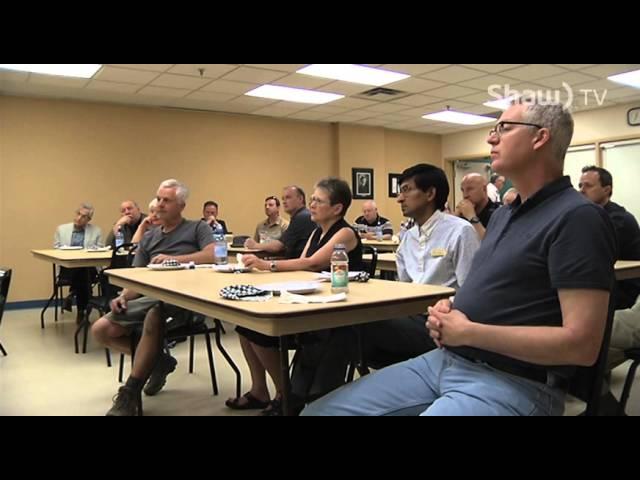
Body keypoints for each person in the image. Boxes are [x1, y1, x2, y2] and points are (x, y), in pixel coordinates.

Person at [303, 101, 616, 416]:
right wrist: (452, 308)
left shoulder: (577, 217)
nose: (491, 139)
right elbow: (496, 288)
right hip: (446, 360)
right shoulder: (507, 215)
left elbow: (582, 345)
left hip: (514, 380)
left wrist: (469, 331)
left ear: (540, 138)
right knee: (316, 413)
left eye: (504, 129)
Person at [226, 177, 363, 416]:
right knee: (245, 327)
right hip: (311, 300)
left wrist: (266, 266)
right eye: (311, 200)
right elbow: (305, 266)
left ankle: (286, 395)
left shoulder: (345, 233)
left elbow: (311, 263)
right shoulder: (317, 232)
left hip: (335, 313)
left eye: (318, 201)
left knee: (258, 330)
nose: (311, 205)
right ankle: (262, 391)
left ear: (337, 208)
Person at [91, 179, 215, 416]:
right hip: (150, 297)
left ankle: (130, 392)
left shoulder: (198, 228)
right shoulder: (149, 237)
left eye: (166, 200)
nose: (159, 204)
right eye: (158, 199)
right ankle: (159, 362)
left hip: (186, 299)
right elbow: (138, 276)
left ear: (181, 205)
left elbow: (212, 255)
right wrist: (125, 296)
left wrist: (174, 260)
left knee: (154, 316)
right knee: (100, 330)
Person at [360, 164, 480, 369]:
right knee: (349, 329)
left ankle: (309, 394)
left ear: (430, 193)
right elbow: (406, 287)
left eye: (406, 190)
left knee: (359, 328)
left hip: (441, 321)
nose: (399, 199)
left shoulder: (460, 231)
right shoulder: (408, 237)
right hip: (412, 316)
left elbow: (471, 291)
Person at [579, 165, 640, 310]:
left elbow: (591, 251)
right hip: (602, 284)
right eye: (580, 185)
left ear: (607, 190)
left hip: (624, 290)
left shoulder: (618, 219)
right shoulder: (589, 215)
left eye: (588, 186)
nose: (581, 190)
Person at [54, 203, 103, 323]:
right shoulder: (62, 229)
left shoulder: (96, 231)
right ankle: (82, 310)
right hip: (67, 268)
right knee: (83, 276)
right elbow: (56, 249)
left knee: (83, 272)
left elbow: (100, 250)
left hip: (89, 268)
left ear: (89, 220)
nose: (79, 218)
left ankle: (73, 294)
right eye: (78, 214)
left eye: (84, 216)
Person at [244, 186, 315, 257]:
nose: (284, 202)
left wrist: (255, 245)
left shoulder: (302, 217)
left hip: (297, 264)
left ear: (300, 199)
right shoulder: (299, 216)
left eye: (288, 197)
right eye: (283, 199)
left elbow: (278, 246)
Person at [455, 173, 500, 239]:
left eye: (470, 189)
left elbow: (491, 244)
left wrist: (472, 217)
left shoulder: (498, 212)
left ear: (484, 189)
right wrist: (455, 218)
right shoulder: (462, 214)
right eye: (462, 190)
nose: (465, 195)